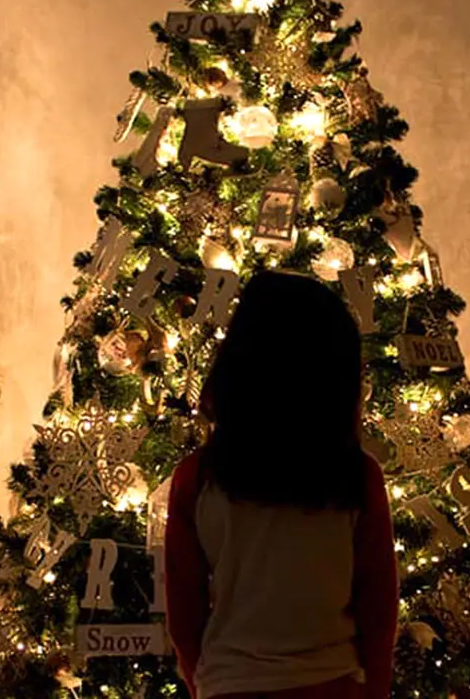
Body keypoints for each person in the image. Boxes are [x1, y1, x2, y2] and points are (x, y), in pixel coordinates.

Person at [165, 271, 399, 699]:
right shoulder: (357, 477)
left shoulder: (197, 479)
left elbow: (183, 609)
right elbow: (378, 607)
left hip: (229, 684)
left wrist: (207, 682)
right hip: (333, 686)